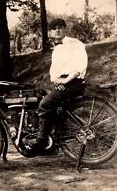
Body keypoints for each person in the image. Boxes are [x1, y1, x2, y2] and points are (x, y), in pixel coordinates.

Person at [24, 18, 89, 156]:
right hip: (63, 82)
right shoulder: (57, 49)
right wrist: (57, 82)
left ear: (65, 29)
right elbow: (54, 73)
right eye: (54, 28)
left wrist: (65, 81)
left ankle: (41, 141)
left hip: (74, 82)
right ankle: (52, 140)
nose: (57, 30)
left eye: (60, 27)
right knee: (40, 97)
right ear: (51, 32)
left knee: (44, 104)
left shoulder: (75, 44)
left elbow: (80, 65)